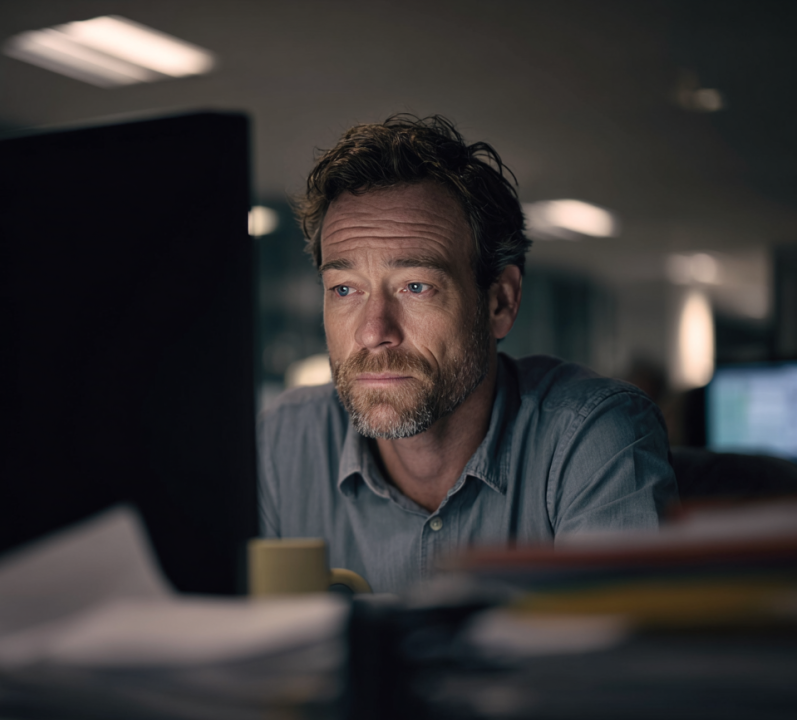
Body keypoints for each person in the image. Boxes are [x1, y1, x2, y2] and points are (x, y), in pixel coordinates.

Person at [257, 115, 678, 594]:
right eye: (345, 289)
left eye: (416, 287)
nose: (373, 332)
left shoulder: (591, 437)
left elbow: (613, 660)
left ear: (500, 302)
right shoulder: (282, 445)